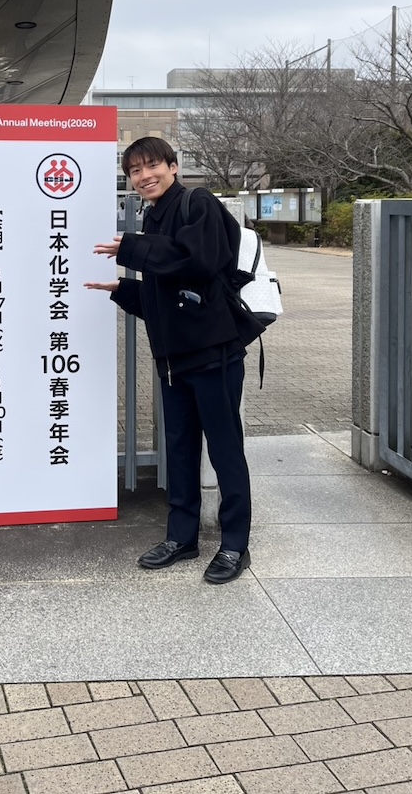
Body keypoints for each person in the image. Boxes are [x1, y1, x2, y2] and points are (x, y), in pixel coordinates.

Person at [85, 137, 264, 584]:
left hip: (214, 354)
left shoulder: (197, 203)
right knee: (180, 448)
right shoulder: (154, 215)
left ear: (173, 166)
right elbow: (169, 291)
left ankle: (234, 544)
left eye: (152, 166)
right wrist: (124, 290)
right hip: (172, 359)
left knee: (224, 449)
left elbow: (197, 263)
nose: (144, 176)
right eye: (135, 171)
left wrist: (131, 248)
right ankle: (182, 537)